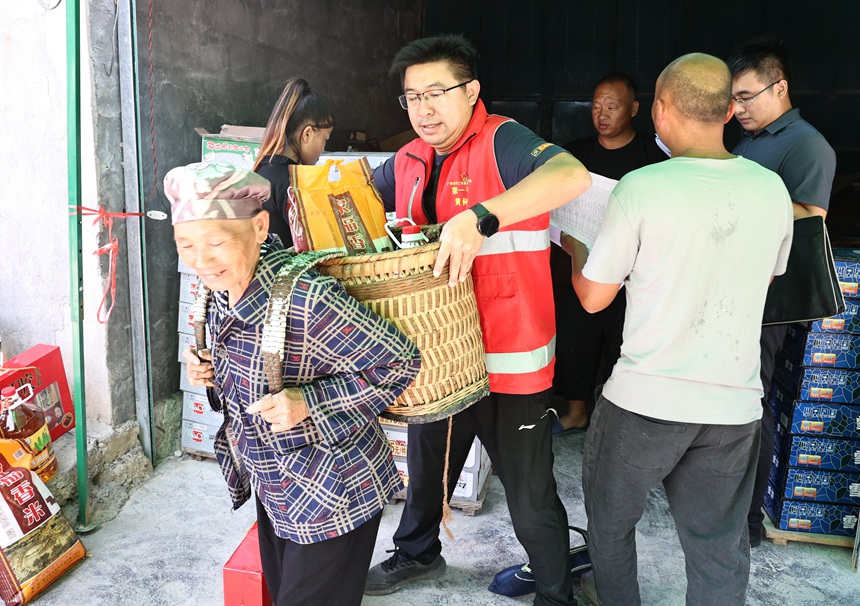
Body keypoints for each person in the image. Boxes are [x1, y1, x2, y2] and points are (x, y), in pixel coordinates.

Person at [365, 34, 592, 606]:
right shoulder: (408, 161)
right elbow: (352, 203)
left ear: (471, 92)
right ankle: (418, 553)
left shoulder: (502, 141)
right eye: (412, 97)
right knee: (428, 468)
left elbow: (571, 176)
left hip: (510, 357)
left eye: (437, 92)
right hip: (441, 356)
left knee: (528, 489)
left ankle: (554, 592)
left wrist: (480, 217)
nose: (424, 108)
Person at [561, 54, 793, 605]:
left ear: (659, 111)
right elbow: (763, 278)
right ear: (727, 110)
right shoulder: (772, 190)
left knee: (610, 525)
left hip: (646, 399)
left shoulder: (642, 187)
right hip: (732, 405)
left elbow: (593, 298)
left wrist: (576, 245)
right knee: (718, 547)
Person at [170, 162, 421, 606]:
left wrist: (309, 402)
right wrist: (211, 370)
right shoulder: (220, 290)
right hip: (276, 485)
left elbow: (400, 362)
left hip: (334, 496)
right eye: (185, 245)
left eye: (216, 243)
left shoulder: (307, 298)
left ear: (259, 227)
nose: (200, 261)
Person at [727, 36, 837, 548]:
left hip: (769, 299)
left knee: (754, 400)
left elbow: (811, 217)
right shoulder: (750, 141)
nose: (738, 108)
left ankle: (747, 519)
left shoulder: (807, 145)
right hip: (737, 288)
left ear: (780, 87)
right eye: (733, 98)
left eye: (746, 96)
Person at [552, 73, 667, 432]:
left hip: (634, 269)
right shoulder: (575, 154)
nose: (601, 115)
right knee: (574, 337)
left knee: (624, 340)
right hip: (584, 260)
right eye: (596, 107)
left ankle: (614, 418)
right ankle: (576, 411)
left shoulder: (654, 155)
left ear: (633, 109)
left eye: (612, 107)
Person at [253, 78, 335, 248]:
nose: (324, 147)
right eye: (325, 139)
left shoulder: (263, 171)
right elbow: (319, 247)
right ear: (307, 134)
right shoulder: (292, 184)